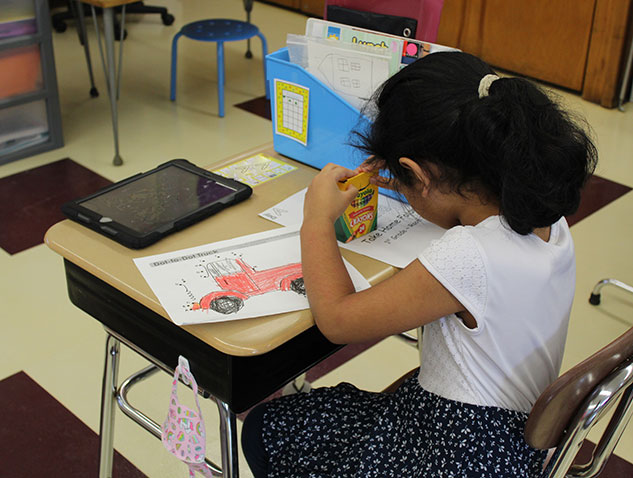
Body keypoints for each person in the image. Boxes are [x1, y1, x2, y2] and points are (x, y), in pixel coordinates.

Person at [241, 51, 597, 478]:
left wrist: (316, 220)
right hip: (515, 439)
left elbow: (337, 320)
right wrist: (416, 190)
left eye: (404, 177)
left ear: (419, 175)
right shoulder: (547, 218)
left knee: (269, 428)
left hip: (459, 452)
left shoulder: (468, 254)